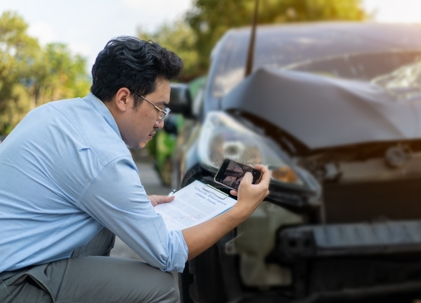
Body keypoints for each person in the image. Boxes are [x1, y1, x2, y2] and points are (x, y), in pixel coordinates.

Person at [0, 36, 270, 303]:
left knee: (102, 226)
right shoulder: (102, 154)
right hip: (10, 284)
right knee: (159, 287)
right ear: (124, 98)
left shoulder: (56, 113)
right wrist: (240, 210)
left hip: (15, 258)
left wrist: (136, 205)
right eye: (159, 109)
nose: (161, 122)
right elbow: (168, 253)